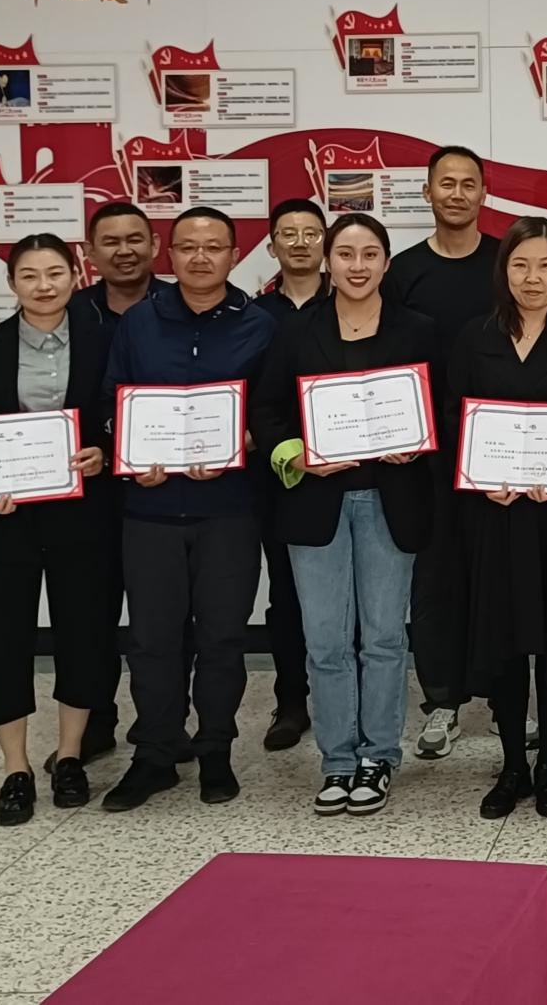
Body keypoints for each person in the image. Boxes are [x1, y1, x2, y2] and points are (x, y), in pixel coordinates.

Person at [252, 213, 437, 817]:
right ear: (328, 262)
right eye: (346, 254)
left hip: (391, 499)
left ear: (386, 262)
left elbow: (443, 410)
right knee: (326, 641)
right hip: (315, 502)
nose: (358, 266)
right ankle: (336, 759)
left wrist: (420, 443)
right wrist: (297, 455)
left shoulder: (419, 330)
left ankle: (378, 756)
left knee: (383, 638)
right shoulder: (294, 331)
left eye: (370, 254)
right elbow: (267, 411)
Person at [101, 207, 278, 813]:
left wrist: (244, 442)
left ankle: (215, 750)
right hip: (149, 508)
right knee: (151, 639)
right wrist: (129, 453)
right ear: (169, 255)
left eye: (214, 247)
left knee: (223, 636)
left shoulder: (259, 325)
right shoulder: (139, 322)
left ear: (234, 255)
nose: (200, 258)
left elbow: (272, 411)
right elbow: (111, 401)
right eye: (188, 247)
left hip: (229, 509)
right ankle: (155, 753)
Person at [0, 234, 115, 826]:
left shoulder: (107, 340)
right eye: (29, 275)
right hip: (4, 520)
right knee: (1, 641)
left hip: (83, 515)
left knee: (85, 636)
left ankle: (69, 756)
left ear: (76, 275)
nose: (44, 286)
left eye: (55, 273)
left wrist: (104, 454)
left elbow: (118, 418)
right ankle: (15, 768)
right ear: (11, 283)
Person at [449, 218, 547, 819]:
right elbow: (454, 419)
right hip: (497, 517)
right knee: (506, 644)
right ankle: (512, 763)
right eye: (520, 265)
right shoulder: (474, 336)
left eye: (545, 265)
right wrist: (478, 479)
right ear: (504, 272)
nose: (532, 277)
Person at [382, 146, 499, 762]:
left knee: (501, 576)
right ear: (427, 193)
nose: (457, 193)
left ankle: (507, 699)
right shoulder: (403, 271)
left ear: (484, 193)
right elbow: (387, 358)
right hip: (426, 452)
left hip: (502, 450)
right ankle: (443, 703)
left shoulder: (508, 262)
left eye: (468, 183)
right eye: (445, 184)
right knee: (434, 580)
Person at [67, 200, 168, 768]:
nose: (124, 251)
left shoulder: (179, 304)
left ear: (154, 245)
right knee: (92, 612)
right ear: (90, 252)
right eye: (110, 241)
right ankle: (94, 721)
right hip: (89, 487)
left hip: (163, 483)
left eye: (135, 239)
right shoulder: (69, 313)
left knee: (164, 617)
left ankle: (162, 722)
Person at [248, 196, 330, 754]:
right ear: (272, 245)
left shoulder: (353, 303)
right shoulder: (255, 316)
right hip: (281, 475)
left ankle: (350, 698)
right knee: (287, 592)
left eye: (311, 233)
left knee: (351, 598)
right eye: (288, 234)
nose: (300, 243)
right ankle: (292, 700)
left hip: (352, 471)